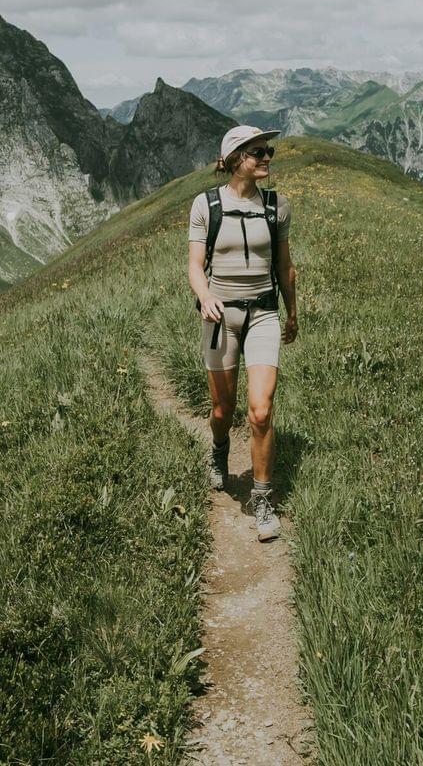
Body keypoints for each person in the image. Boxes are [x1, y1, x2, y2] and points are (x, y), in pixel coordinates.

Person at [187, 124, 297, 542]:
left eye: (268, 151)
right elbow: (196, 265)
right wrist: (204, 294)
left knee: (261, 410)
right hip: (221, 317)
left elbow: (286, 266)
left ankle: (263, 498)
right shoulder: (206, 205)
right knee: (222, 410)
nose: (267, 157)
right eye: (257, 152)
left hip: (264, 314)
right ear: (235, 159)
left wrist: (292, 315)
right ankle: (218, 452)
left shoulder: (277, 206)